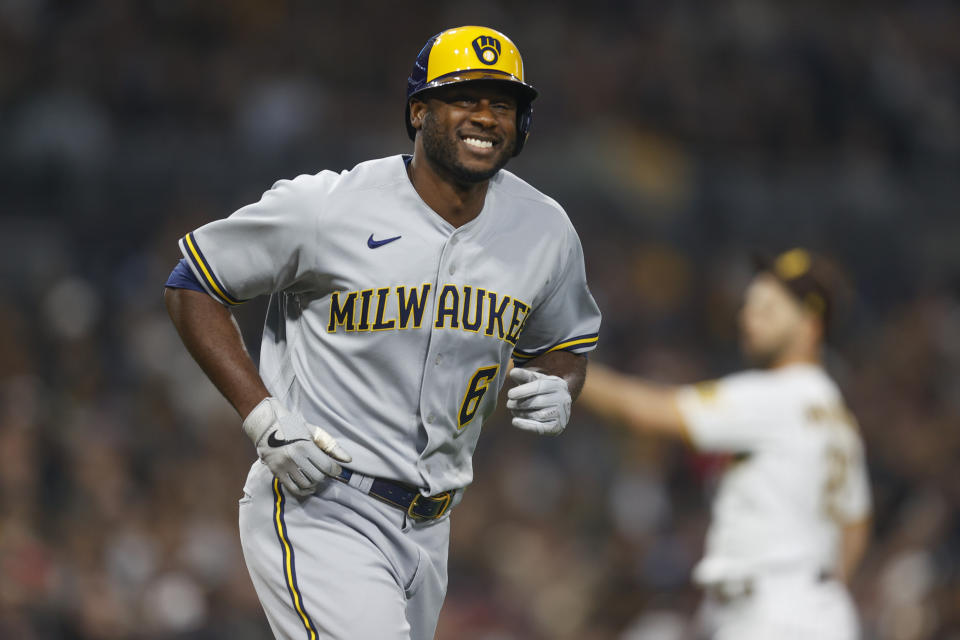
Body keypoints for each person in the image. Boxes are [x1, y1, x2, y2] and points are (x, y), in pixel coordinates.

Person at [163, 26, 601, 640]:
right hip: (322, 501)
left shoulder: (544, 229)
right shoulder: (330, 207)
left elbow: (565, 343)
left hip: (432, 529)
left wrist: (562, 385)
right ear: (419, 112)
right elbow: (193, 282)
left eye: (502, 103)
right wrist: (260, 415)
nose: (485, 116)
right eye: (464, 98)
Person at [579, 248, 870, 640]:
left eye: (768, 310)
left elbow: (645, 412)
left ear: (809, 324)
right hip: (808, 609)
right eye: (750, 307)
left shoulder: (779, 396)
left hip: (773, 612)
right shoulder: (832, 412)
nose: (748, 318)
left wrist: (544, 363)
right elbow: (855, 523)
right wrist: (820, 595)